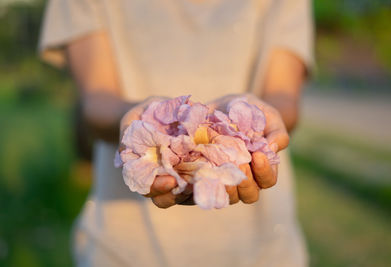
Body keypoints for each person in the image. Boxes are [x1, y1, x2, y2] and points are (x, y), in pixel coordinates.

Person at [39, 0, 313, 266]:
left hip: (262, 250)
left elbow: (284, 98)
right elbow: (96, 103)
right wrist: (145, 120)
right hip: (124, 248)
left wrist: (261, 118)